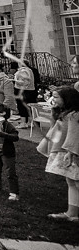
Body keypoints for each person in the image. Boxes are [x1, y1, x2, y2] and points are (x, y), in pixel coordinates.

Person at [42, 86, 79, 221]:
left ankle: (73, 213)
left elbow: (74, 135)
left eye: (56, 97)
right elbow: (55, 130)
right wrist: (53, 115)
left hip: (72, 152)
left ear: (67, 99)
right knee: (71, 181)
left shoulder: (74, 115)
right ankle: (72, 213)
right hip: (66, 150)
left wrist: (71, 151)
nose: (53, 99)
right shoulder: (65, 114)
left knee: (76, 181)